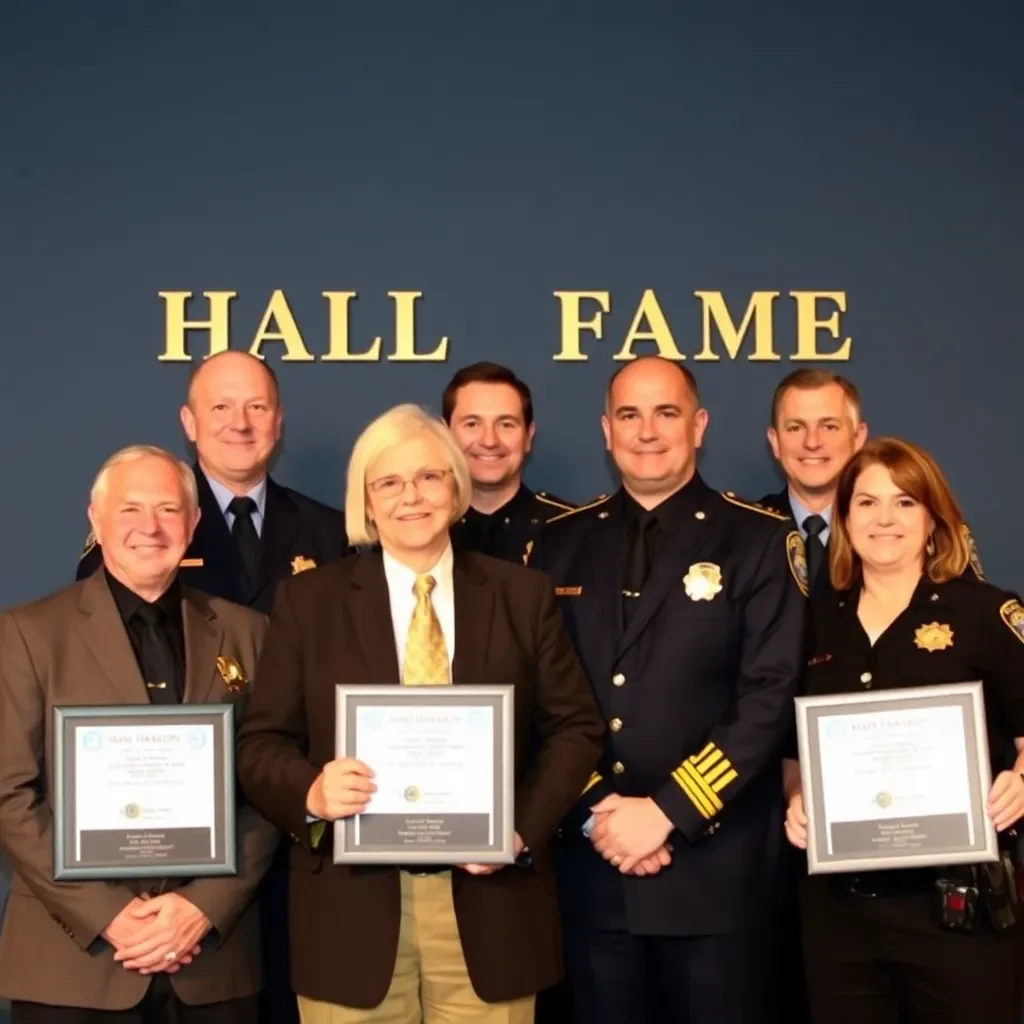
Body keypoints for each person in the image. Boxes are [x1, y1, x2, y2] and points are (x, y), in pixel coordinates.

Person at [234, 403, 604, 1023]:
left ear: (457, 488)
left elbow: (575, 729)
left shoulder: (521, 594)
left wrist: (517, 828)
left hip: (493, 907)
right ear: (366, 502)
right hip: (350, 916)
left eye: (430, 477)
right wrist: (313, 792)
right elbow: (261, 743)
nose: (412, 497)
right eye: (389, 482)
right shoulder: (308, 603)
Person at [529, 356, 807, 1024]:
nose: (646, 431)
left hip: (716, 870)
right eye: (629, 414)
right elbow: (538, 696)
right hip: (593, 873)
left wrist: (668, 810)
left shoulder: (761, 541)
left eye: (666, 413)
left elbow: (769, 700)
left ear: (700, 424)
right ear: (605, 429)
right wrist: (599, 807)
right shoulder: (557, 544)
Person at [75, 351, 350, 1024]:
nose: (241, 422)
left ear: (279, 422)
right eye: (221, 407)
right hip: (166, 866)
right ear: (188, 422)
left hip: (296, 840)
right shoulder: (137, 535)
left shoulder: (334, 533)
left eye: (257, 406)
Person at [0, 445, 278, 1023]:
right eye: (129, 510)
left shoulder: (250, 634)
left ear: (195, 523)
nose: (149, 527)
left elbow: (270, 787)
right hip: (73, 967)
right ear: (95, 520)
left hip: (211, 963)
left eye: (168, 510)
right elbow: (10, 796)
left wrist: (202, 906)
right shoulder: (27, 634)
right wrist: (109, 915)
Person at [783, 437, 1024, 1024]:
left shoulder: (986, 614)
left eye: (905, 503)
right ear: (843, 518)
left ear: (935, 518)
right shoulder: (811, 620)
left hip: (956, 909)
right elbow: (792, 746)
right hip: (840, 911)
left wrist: (1021, 781)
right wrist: (794, 799)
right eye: (865, 503)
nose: (884, 519)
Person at [761, 369, 986, 586]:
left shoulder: (912, 531)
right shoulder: (748, 532)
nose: (812, 442)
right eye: (795, 428)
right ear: (775, 441)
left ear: (858, 437)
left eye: (829, 426)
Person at [442, 362, 575, 564]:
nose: (489, 441)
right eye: (472, 424)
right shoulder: (420, 530)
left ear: (528, 436)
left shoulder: (572, 530)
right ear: (445, 434)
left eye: (506, 424)